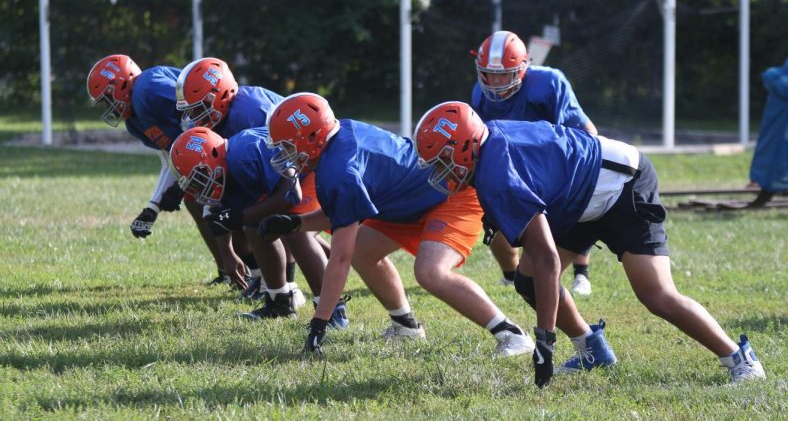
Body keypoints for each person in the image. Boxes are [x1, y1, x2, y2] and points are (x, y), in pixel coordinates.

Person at [414, 101, 767, 388]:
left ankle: (739, 359)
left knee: (656, 293)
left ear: (464, 147)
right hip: (579, 197)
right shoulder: (487, 152)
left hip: (623, 184)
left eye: (442, 163)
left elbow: (548, 259)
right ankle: (592, 350)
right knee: (528, 278)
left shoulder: (496, 173)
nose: (440, 175)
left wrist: (544, 339)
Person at [257, 93, 534, 358]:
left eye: (288, 146)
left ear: (312, 138)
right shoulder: (339, 144)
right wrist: (296, 223)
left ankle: (511, 334)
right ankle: (406, 327)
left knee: (430, 272)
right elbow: (343, 213)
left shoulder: (341, 169)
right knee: (363, 250)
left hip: (451, 191)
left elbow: (338, 258)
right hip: (413, 200)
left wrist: (319, 323)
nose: (285, 154)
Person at [168, 125, 348, 328]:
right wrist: (228, 254)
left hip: (311, 171)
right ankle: (279, 303)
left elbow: (290, 194)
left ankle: (333, 310)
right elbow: (221, 219)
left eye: (199, 180)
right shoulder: (222, 169)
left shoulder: (248, 152)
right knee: (255, 226)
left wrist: (240, 216)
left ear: (212, 157)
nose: (199, 189)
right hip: (291, 183)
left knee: (296, 230)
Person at [174, 56, 318, 298]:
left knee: (286, 226)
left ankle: (294, 290)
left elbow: (287, 186)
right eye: (190, 110)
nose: (194, 118)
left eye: (199, 108)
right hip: (278, 170)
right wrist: (227, 248)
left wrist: (244, 215)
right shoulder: (220, 123)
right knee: (246, 215)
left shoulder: (251, 113)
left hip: (304, 165)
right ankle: (268, 285)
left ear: (220, 94)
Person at [86, 54, 235, 286]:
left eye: (107, 98)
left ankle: (251, 271)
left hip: (226, 138)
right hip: (207, 152)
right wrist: (152, 207)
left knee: (213, 202)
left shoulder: (150, 88)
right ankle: (227, 271)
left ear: (121, 84)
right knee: (193, 200)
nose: (109, 107)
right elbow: (171, 159)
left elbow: (200, 114)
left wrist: (184, 182)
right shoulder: (134, 122)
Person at [471, 31, 598, 296]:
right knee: (492, 212)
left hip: (560, 156)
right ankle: (511, 274)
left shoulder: (547, 83)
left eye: (503, 74)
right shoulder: (479, 94)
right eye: (489, 74)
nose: (494, 82)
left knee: (571, 208)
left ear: (521, 69)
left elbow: (578, 133)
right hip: (516, 164)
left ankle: (581, 272)